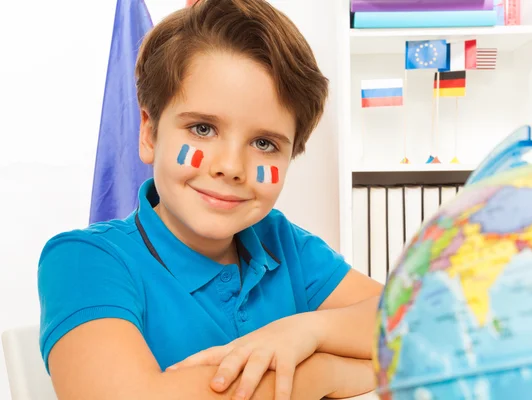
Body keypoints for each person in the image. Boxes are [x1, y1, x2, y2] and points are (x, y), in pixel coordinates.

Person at [37, 0, 383, 399]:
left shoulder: (284, 246)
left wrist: (307, 331)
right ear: (149, 133)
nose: (230, 166)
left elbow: (427, 325)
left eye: (264, 143)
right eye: (202, 128)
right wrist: (320, 373)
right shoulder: (84, 260)